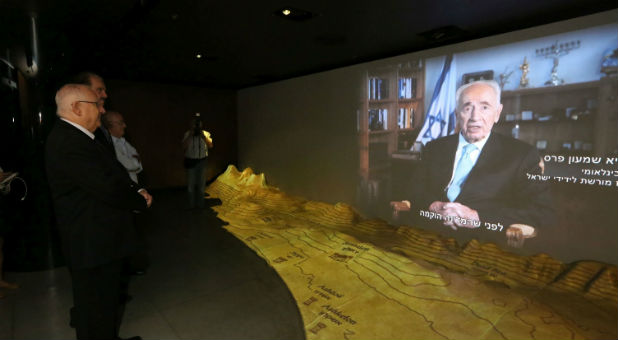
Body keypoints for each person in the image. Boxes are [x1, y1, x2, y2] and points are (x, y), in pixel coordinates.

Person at [45, 83, 151, 340]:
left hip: (98, 238)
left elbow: (112, 171)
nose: (102, 111)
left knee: (103, 305)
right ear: (76, 108)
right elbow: (105, 186)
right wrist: (139, 200)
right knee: (96, 307)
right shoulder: (68, 142)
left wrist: (135, 191)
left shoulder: (81, 137)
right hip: (91, 240)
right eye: (97, 105)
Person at [392, 80, 552, 246]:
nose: (475, 117)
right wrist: (434, 206)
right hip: (428, 237)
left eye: (484, 107)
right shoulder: (435, 147)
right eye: (467, 108)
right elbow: (413, 190)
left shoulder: (522, 155)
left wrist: (477, 217)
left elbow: (541, 210)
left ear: (497, 113)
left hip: (485, 245)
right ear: (457, 114)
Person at [73, 72, 115, 155]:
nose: (105, 95)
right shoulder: (76, 127)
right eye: (99, 90)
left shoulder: (100, 123)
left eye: (105, 91)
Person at [182, 113, 213, 209]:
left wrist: (203, 137)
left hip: (202, 161)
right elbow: (184, 147)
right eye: (194, 123)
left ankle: (201, 205)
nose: (196, 126)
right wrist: (190, 135)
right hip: (191, 161)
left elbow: (210, 146)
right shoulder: (187, 134)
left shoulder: (206, 134)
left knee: (201, 185)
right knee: (191, 186)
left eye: (198, 124)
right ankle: (191, 205)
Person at [102, 111, 143, 183]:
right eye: (120, 123)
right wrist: (135, 161)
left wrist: (133, 163)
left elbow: (138, 167)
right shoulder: (107, 145)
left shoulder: (123, 142)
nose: (124, 125)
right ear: (109, 125)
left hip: (134, 187)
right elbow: (130, 165)